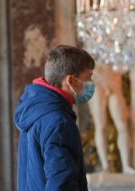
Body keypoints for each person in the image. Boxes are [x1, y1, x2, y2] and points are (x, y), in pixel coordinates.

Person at [14, 45, 95, 190]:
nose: (91, 84)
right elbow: (61, 183)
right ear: (70, 80)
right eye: (88, 77)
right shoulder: (59, 122)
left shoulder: (36, 112)